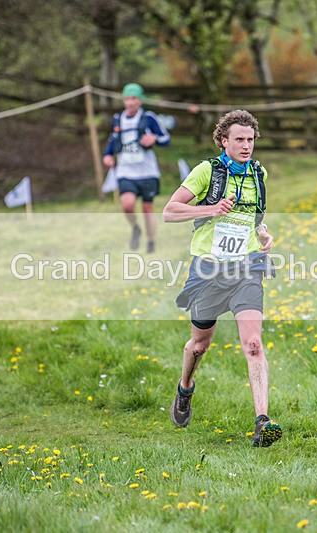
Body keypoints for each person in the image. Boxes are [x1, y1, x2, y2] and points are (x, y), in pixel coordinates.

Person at [162, 109, 281, 448]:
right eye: (240, 139)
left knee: (254, 344)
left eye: (251, 139)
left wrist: (264, 234)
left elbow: (253, 218)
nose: (247, 146)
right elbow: (170, 211)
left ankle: (262, 421)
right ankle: (185, 388)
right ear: (224, 141)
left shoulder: (259, 174)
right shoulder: (207, 172)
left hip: (246, 268)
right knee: (200, 344)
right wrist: (209, 209)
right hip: (209, 270)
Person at [103, 83, 170, 253]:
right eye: (127, 98)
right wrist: (108, 155)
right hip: (125, 171)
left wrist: (154, 138)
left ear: (140, 100)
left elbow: (166, 139)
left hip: (147, 172)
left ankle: (151, 242)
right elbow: (113, 139)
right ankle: (135, 228)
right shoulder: (118, 119)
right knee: (127, 205)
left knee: (148, 209)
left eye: (134, 98)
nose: (130, 102)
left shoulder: (149, 118)